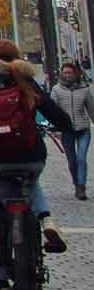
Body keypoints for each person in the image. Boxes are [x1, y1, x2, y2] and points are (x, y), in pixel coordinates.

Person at [0, 39, 72, 290]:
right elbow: (54, 113)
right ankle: (46, 219)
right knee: (32, 183)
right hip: (30, 154)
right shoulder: (25, 80)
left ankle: (2, 284)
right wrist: (65, 127)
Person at [52, 60, 94, 201]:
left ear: (75, 73)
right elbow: (53, 112)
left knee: (81, 158)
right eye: (65, 73)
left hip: (83, 129)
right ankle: (76, 184)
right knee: (72, 160)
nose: (68, 75)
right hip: (66, 131)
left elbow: (91, 109)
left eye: (70, 72)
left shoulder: (84, 89)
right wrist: (56, 129)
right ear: (61, 74)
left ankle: (81, 187)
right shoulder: (56, 90)